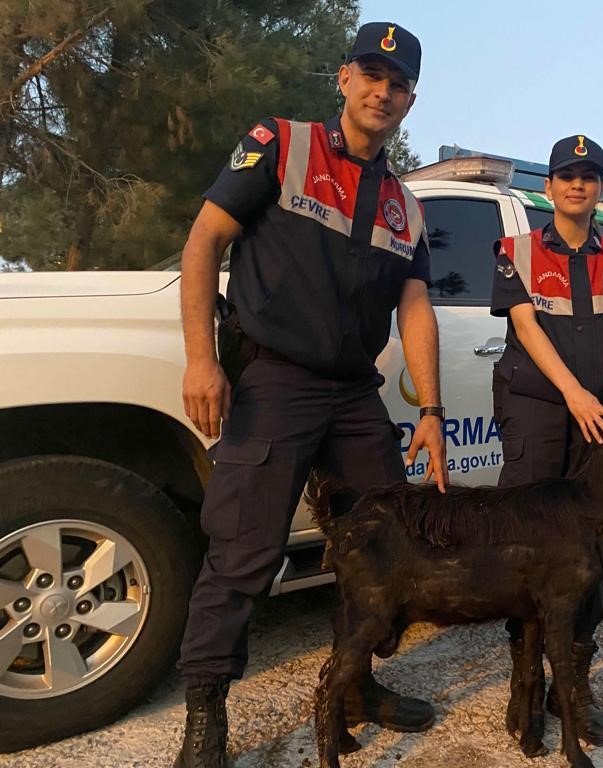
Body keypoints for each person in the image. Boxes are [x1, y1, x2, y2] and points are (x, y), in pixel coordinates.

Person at [175, 21, 447, 768]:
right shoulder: (283, 145)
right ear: (343, 78)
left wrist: (429, 409)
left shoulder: (406, 205)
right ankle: (206, 715)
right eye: (371, 74)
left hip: (355, 394)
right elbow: (203, 241)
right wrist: (203, 360)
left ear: (410, 100)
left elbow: (414, 307)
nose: (382, 91)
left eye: (397, 83)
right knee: (243, 554)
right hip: (275, 382)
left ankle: (357, 683)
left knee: (383, 548)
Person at [490, 135, 603, 746]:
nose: (577, 185)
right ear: (549, 187)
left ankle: (571, 687)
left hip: (594, 417)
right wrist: (575, 396)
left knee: (589, 548)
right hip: (535, 405)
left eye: (589, 175)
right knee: (526, 545)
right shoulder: (516, 249)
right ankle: (524, 684)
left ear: (600, 187)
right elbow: (525, 328)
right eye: (566, 176)